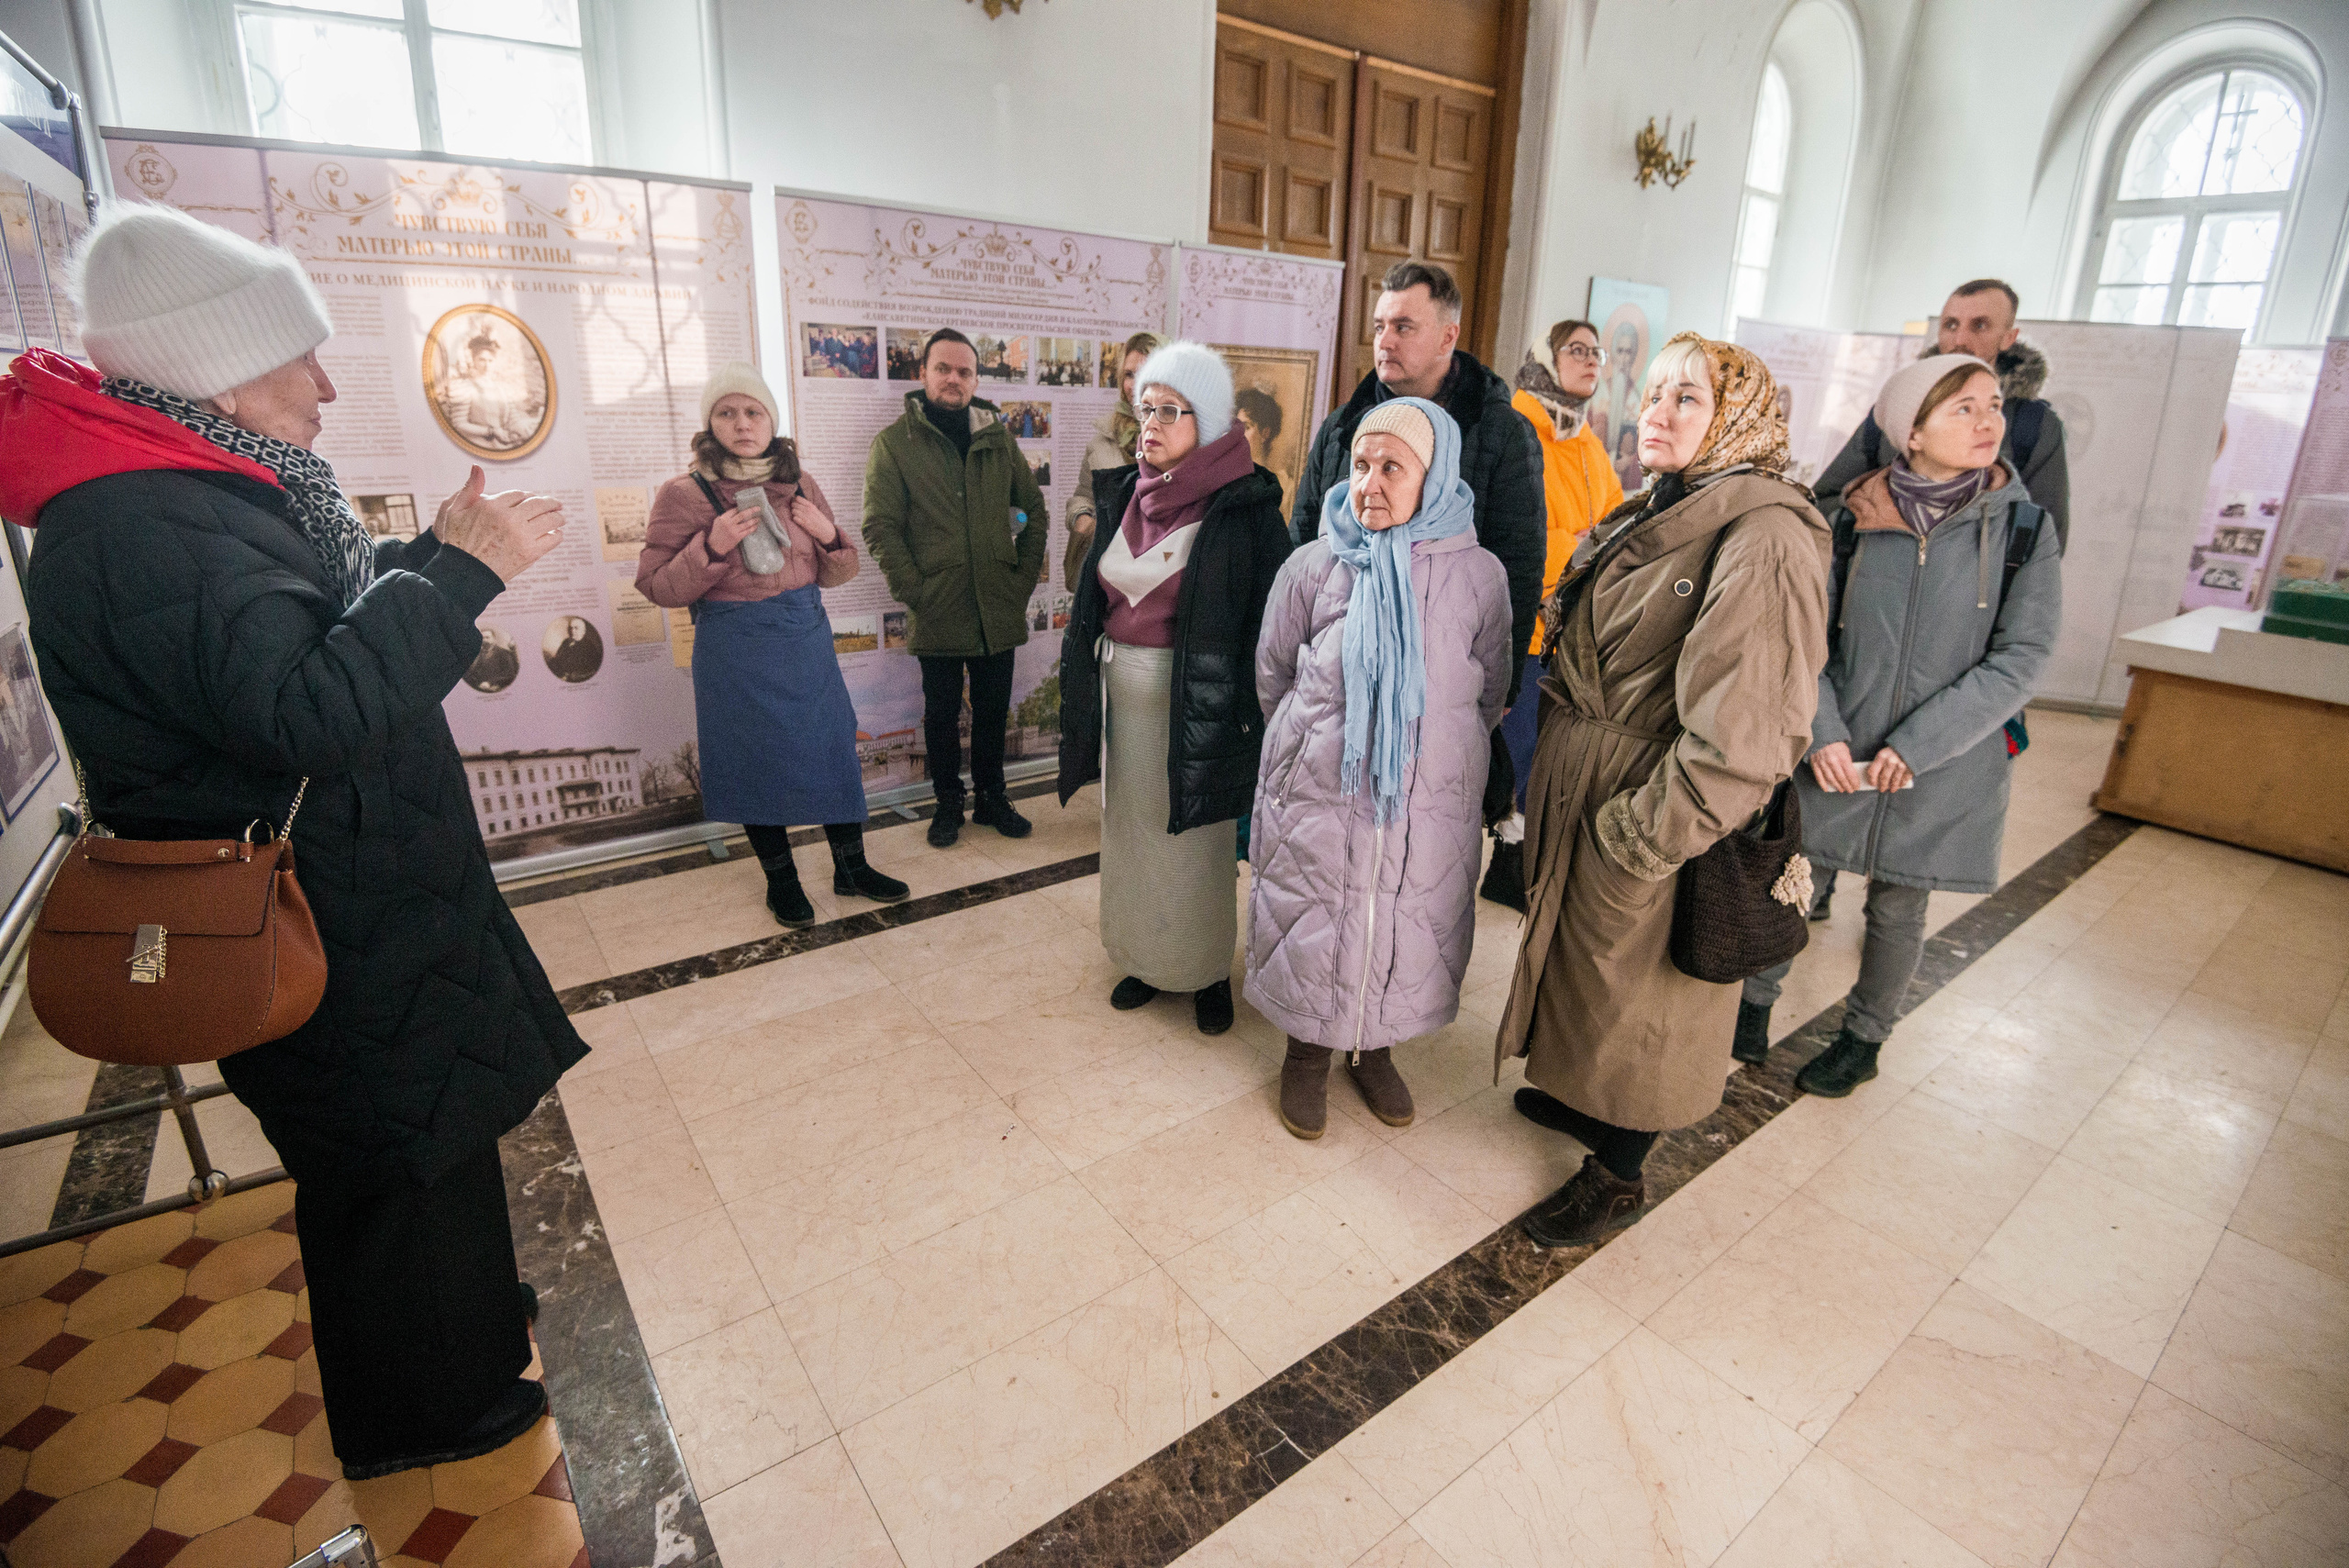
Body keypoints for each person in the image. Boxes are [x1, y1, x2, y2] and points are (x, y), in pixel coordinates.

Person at [0, 203, 584, 1476]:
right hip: (317, 906)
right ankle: (429, 1409)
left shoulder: (200, 488)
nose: (326, 387)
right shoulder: (144, 523)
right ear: (208, 368)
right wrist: (459, 576)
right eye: (296, 360)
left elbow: (314, 622)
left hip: (373, 893)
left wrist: (427, 556)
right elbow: (304, 707)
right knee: (386, 1165)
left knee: (436, 1133)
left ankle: (471, 1322)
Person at [1496, 332, 1831, 1248]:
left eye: (1686, 397)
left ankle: (1619, 1171)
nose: (1657, 411)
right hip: (1601, 777)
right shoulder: (1665, 502)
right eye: (1651, 393)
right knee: (1596, 970)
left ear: (1738, 419)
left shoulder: (1763, 534)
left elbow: (1749, 726)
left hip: (1661, 806)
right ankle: (1588, 1101)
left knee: (1651, 998)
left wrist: (1647, 833)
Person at [1736, 356, 2061, 1094]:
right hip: (1839, 744)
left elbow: (2023, 658)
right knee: (1795, 874)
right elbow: (1803, 636)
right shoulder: (1848, 519)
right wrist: (1823, 732)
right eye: (1963, 410)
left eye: (1991, 406)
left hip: (1942, 757)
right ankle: (1753, 1005)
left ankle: (1863, 1038)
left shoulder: (2023, 530)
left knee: (1899, 904)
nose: (1988, 423)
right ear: (1910, 433)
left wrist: (1918, 745)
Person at [1247, 399, 1512, 1139]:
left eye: (1392, 466)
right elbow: (1273, 672)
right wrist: (1311, 743)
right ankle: (1306, 1050)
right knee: (1318, 908)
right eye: (1361, 464)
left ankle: (1376, 1047)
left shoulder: (1480, 576)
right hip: (1319, 786)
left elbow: (1489, 687)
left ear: (1436, 476)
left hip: (1422, 794)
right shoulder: (1313, 563)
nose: (1369, 482)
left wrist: (1436, 749)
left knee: (1401, 912)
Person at [1057, 342, 1290, 1035]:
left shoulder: (1245, 508)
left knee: (1197, 842)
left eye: (1169, 410)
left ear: (1210, 419)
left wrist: (1254, 715)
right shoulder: (1126, 492)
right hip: (1121, 700)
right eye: (1144, 408)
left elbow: (1271, 621)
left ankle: (1205, 969)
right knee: (1130, 835)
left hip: (1200, 705)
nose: (1149, 424)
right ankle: (1141, 956)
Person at [638, 363, 909, 926]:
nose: (742, 423)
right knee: (753, 762)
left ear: (772, 421)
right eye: (727, 412)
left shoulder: (801, 484)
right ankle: (781, 881)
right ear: (710, 423)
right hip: (734, 649)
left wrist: (830, 535)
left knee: (833, 751)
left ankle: (851, 867)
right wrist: (709, 548)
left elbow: (839, 572)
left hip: (805, 638)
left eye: (754, 411)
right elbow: (657, 587)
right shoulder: (682, 495)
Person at [1291, 261, 1543, 704]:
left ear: (1449, 336)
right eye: (1379, 326)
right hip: (1337, 668)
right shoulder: (1340, 428)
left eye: (1403, 327)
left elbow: (1516, 567)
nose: (1384, 341)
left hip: (1443, 676)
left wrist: (1501, 690)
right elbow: (1301, 544)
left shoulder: (1501, 431)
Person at [863, 328, 1051, 847]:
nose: (953, 379)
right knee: (941, 716)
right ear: (922, 375)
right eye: (943, 369)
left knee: (993, 712)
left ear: (975, 379)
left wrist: (1019, 587)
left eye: (964, 371)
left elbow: (1034, 512)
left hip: (997, 605)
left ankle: (993, 799)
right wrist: (916, 591)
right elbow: (880, 527)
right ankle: (948, 805)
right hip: (938, 607)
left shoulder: (997, 437)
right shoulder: (894, 444)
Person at [1482, 320, 1626, 913]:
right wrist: (1587, 548)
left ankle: (1513, 862)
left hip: (1574, 622)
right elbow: (1517, 533)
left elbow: (1618, 515)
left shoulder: (1584, 434)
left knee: (1545, 751)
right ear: (1546, 358)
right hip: (1529, 620)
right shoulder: (1520, 426)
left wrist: (1606, 541)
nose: (1590, 360)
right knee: (1515, 748)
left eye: (1596, 351)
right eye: (1576, 349)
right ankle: (1504, 855)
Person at [1813, 279, 2069, 546]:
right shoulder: (1899, 406)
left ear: (2008, 338)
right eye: (1951, 325)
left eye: (1979, 326)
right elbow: (1825, 503)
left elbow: (2044, 539)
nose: (1960, 340)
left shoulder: (2034, 425)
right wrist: (1881, 524)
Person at [1064, 329, 1159, 591]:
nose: (1135, 385)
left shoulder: (1180, 443)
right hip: (1103, 579)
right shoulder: (1102, 440)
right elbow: (1083, 495)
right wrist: (1083, 520)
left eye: (1147, 375)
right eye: (1129, 375)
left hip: (1154, 581)